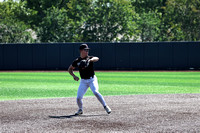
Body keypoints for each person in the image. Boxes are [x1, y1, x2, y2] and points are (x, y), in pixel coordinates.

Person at [68, 44, 111, 115]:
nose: (87, 51)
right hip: (83, 81)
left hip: (92, 80)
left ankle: (105, 106)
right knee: (78, 98)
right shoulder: (77, 61)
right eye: (86, 50)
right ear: (81, 51)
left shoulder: (89, 58)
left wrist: (90, 60)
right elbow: (70, 69)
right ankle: (80, 109)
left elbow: (97, 58)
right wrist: (74, 76)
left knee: (96, 92)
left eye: (88, 50)